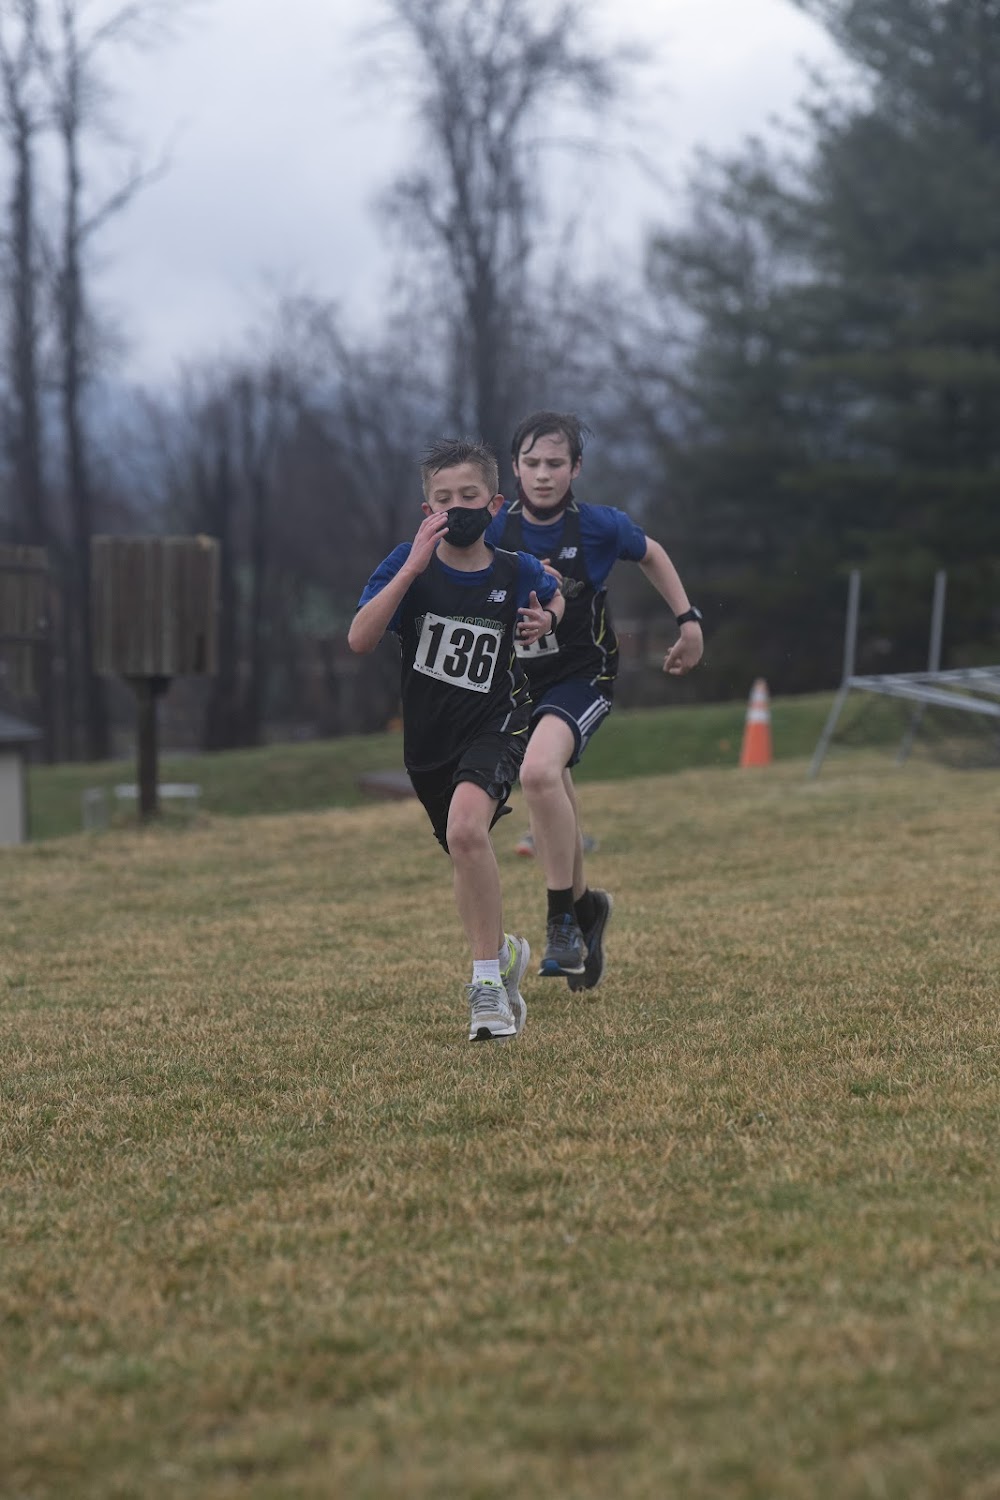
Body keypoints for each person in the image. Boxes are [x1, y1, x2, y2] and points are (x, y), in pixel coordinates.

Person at [348, 437, 564, 1042]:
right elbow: (360, 638)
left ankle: (486, 989)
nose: (457, 508)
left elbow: (554, 590)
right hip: (428, 745)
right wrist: (411, 569)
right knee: (466, 853)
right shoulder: (406, 565)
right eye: (443, 500)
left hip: (495, 724)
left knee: (468, 832)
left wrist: (549, 617)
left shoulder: (512, 569)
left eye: (470, 496)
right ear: (427, 512)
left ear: (494, 505)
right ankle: (504, 953)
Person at [486, 410, 704, 989]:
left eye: (555, 463)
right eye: (531, 462)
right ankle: (587, 910)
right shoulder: (495, 530)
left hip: (583, 676)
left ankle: (561, 920)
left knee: (537, 773)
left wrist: (688, 621)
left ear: (576, 468)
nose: (543, 474)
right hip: (518, 684)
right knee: (550, 783)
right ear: (514, 468)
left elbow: (652, 553)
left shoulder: (599, 527)